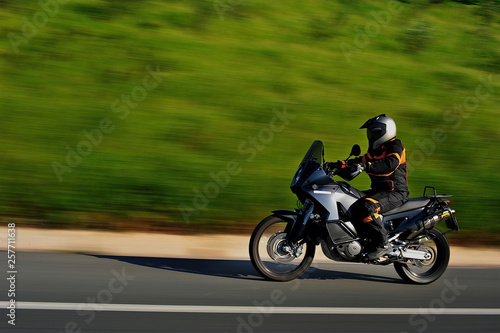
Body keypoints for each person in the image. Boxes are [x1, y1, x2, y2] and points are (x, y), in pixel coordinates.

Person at [327, 114, 409, 260]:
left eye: (376, 132)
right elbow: (359, 160)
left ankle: (383, 244)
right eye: (371, 133)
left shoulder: (396, 146)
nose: (372, 135)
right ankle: (363, 239)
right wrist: (336, 164)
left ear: (386, 132)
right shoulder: (374, 151)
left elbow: (390, 164)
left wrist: (366, 166)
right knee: (350, 200)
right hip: (379, 192)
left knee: (367, 207)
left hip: (395, 192)